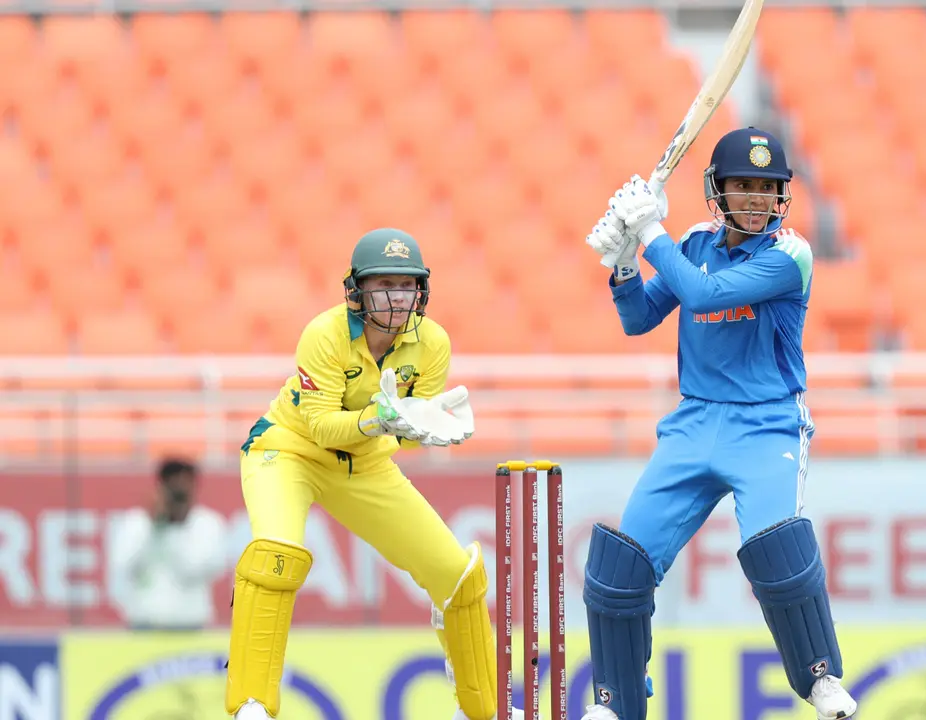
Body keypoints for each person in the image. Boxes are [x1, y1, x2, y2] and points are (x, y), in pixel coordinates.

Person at [580, 128, 858, 720]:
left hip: (768, 424)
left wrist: (649, 231)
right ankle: (614, 701)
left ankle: (820, 678)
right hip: (694, 420)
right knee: (620, 568)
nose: (757, 198)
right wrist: (626, 262)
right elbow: (640, 319)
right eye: (744, 185)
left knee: (776, 546)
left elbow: (704, 297)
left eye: (768, 187)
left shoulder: (791, 255)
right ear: (719, 190)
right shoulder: (695, 242)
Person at [225, 228, 511, 720]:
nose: (396, 298)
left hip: (365, 463)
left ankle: (482, 710)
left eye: (407, 285)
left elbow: (399, 435)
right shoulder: (324, 334)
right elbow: (320, 426)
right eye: (384, 285)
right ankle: (251, 704)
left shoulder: (432, 343)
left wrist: (421, 426)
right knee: (277, 554)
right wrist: (380, 419)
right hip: (288, 450)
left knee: (458, 575)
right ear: (355, 290)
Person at [110, 457, 226, 631]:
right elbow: (125, 567)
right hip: (144, 624)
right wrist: (155, 526)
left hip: (190, 625)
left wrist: (174, 527)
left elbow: (194, 570)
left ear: (195, 487)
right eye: (173, 487)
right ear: (160, 487)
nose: (178, 495)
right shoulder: (137, 522)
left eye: (184, 487)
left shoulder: (208, 524)